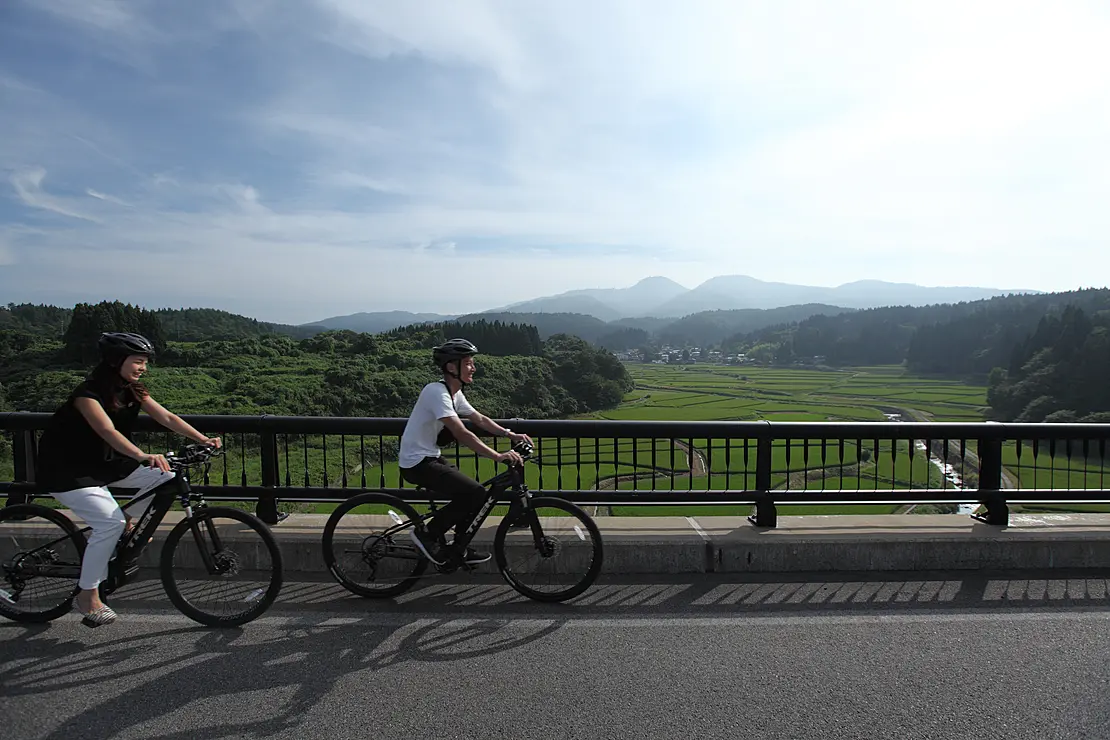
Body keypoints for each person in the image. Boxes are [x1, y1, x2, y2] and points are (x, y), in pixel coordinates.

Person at [35, 332, 221, 627]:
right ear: (115, 361)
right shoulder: (87, 395)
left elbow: (167, 418)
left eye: (145, 362)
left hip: (105, 464)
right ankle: (88, 594)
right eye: (138, 361)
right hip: (68, 469)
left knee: (164, 477)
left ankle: (128, 521)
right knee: (109, 523)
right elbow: (107, 431)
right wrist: (143, 456)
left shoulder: (133, 391)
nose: (143, 367)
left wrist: (203, 439)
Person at [399, 338, 532, 565]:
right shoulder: (436, 392)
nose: (474, 368)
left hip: (431, 457)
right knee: (475, 493)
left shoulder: (454, 394)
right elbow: (461, 432)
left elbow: (479, 419)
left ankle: (459, 547)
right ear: (452, 367)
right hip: (416, 463)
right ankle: (426, 535)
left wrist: (510, 434)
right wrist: (498, 456)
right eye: (468, 363)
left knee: (477, 494)